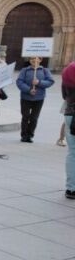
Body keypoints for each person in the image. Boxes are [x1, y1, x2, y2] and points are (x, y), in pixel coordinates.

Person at [16, 56, 54, 143]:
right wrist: (29, 90)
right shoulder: (24, 70)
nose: (34, 60)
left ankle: (30, 135)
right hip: (25, 97)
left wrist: (39, 82)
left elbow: (50, 81)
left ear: (40, 60)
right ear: (29, 60)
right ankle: (24, 135)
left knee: (34, 118)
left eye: (36, 58)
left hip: (39, 98)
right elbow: (19, 82)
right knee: (25, 117)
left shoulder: (45, 71)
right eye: (32, 58)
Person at [62, 61, 75, 199]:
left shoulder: (68, 71)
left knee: (73, 152)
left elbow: (64, 95)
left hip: (70, 114)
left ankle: (71, 188)